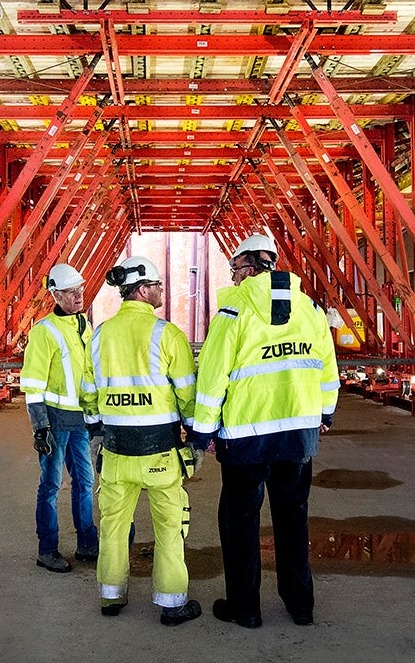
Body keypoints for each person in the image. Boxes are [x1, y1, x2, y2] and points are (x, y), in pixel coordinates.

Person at [190, 234, 339, 629]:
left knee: (239, 523)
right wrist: (325, 413)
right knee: (293, 519)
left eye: (236, 269)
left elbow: (212, 377)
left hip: (246, 438)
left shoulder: (234, 311)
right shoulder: (309, 309)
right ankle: (301, 605)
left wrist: (202, 432)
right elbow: (327, 369)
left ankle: (246, 609)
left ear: (251, 267)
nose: (234, 277)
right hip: (297, 436)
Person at [79, 256, 203, 626]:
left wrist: (97, 431)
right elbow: (187, 395)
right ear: (144, 289)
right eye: (159, 286)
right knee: (169, 530)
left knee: (114, 528)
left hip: (115, 453)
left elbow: (89, 393)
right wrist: (198, 438)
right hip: (161, 455)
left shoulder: (99, 334)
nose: (163, 291)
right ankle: (172, 604)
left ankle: (111, 597)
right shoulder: (168, 334)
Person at [22, 263, 100, 573]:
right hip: (55, 421)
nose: (79, 295)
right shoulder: (45, 331)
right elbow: (32, 383)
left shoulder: (84, 326)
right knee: (51, 485)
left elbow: (89, 376)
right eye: (71, 291)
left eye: (80, 289)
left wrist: (95, 415)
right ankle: (47, 550)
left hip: (79, 420)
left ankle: (86, 542)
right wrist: (40, 426)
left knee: (85, 481)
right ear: (56, 295)